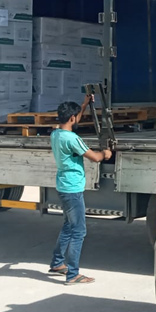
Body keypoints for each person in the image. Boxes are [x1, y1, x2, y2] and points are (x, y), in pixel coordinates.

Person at [47, 94, 113, 285]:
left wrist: (84, 105)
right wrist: (105, 153)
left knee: (68, 226)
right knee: (78, 231)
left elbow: (73, 121)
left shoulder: (56, 134)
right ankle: (73, 274)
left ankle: (57, 263)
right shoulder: (73, 139)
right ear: (72, 118)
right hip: (73, 189)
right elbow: (95, 158)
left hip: (63, 185)